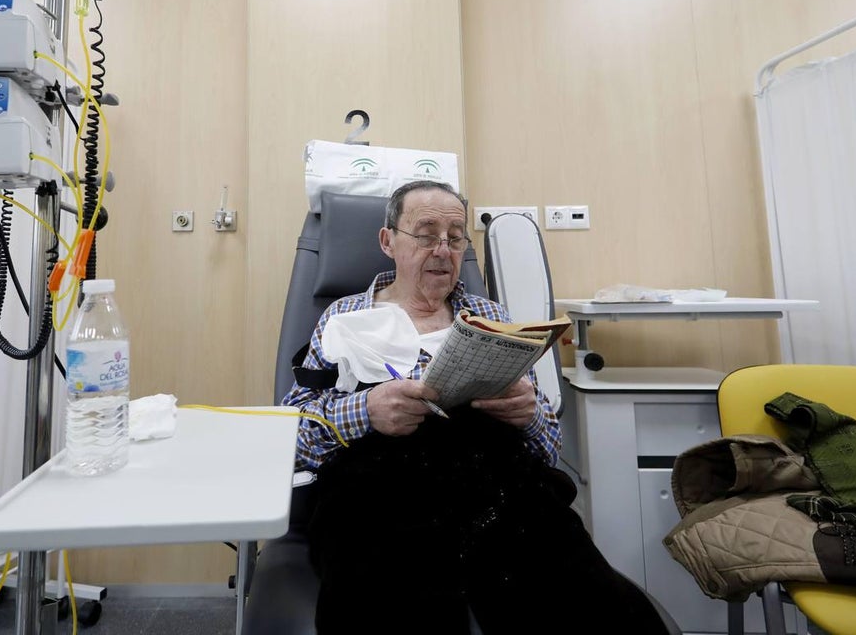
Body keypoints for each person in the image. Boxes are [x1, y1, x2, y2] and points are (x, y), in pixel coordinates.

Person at [283, 180, 671, 635]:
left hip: (498, 486)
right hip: (379, 492)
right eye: (426, 234)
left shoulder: (491, 317)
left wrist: (528, 415)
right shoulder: (344, 317)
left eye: (455, 236)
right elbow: (293, 433)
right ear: (388, 241)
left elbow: (548, 448)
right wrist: (365, 409)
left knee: (590, 601)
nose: (443, 250)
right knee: (390, 601)